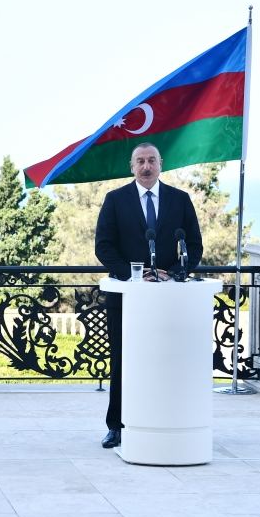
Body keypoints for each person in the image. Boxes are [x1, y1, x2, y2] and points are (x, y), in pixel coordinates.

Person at [94, 142, 203, 449]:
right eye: (140, 161)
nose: (146, 166)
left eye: (151, 160)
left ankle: (165, 420)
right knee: (122, 362)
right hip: (126, 298)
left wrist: (175, 272)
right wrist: (132, 274)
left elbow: (194, 245)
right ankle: (116, 426)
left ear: (160, 164)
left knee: (166, 360)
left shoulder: (180, 200)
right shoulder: (115, 200)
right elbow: (104, 245)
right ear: (132, 166)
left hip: (169, 300)